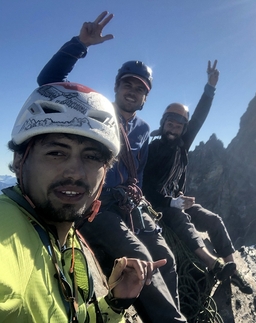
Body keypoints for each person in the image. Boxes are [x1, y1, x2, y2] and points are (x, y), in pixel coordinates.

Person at [37, 12, 186, 322]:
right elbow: (49, 83)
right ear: (117, 87)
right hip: (99, 204)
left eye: (140, 88)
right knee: (143, 259)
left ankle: (170, 315)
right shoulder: (94, 110)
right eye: (127, 84)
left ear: (146, 97)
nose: (133, 90)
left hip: (130, 204)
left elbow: (140, 170)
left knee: (167, 259)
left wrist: (140, 202)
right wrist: (80, 44)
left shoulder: (144, 129)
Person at [0, 82, 166, 322]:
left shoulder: (68, 238)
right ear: (19, 160)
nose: (75, 173)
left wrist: (116, 302)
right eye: (56, 153)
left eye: (91, 157)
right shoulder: (7, 231)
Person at [142, 60, 253, 294]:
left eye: (178, 126)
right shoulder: (152, 149)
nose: (173, 129)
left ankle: (231, 267)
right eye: (169, 124)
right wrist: (172, 202)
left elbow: (199, 118)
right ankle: (212, 263)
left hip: (176, 200)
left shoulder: (182, 144)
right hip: (158, 206)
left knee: (213, 220)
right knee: (181, 219)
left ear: (183, 129)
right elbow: (146, 189)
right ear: (163, 125)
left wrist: (210, 88)